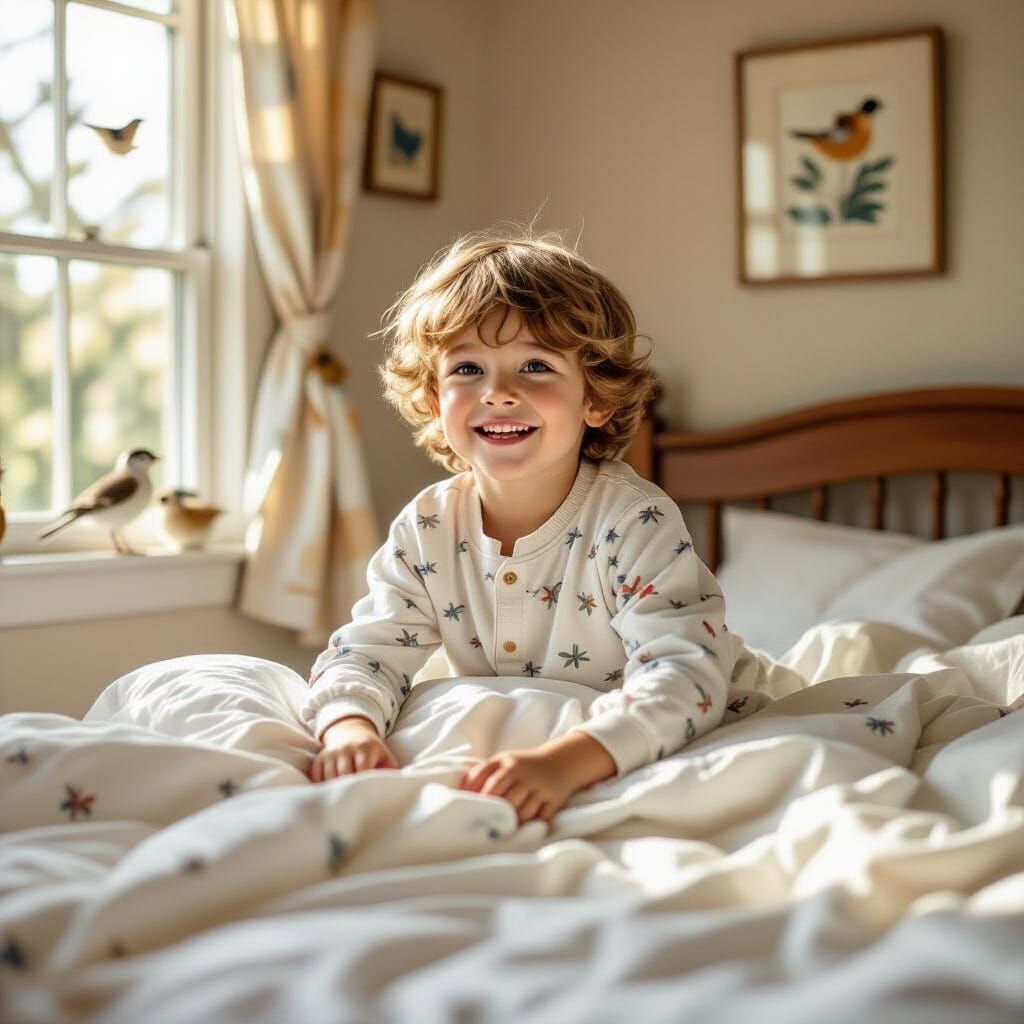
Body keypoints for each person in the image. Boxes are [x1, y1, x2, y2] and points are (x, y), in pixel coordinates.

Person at [302, 226, 754, 826]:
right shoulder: (428, 525)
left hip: (682, 720)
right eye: (466, 369)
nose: (499, 393)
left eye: (535, 365)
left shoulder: (632, 518)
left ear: (596, 399)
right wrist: (347, 728)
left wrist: (565, 764)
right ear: (435, 399)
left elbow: (684, 675)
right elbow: (368, 651)